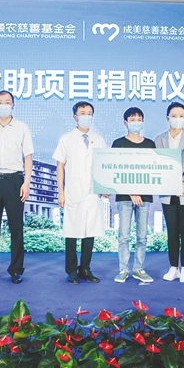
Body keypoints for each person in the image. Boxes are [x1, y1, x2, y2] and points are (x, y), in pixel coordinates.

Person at [0, 90, 34, 284]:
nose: (3, 105)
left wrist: (26, 183)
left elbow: (28, 157)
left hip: (14, 180)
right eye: (0, 102)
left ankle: (16, 270)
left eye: (7, 102)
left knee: (16, 228)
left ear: (13, 106)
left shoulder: (22, 128)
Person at [53, 101, 106, 284]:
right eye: (82, 113)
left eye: (89, 113)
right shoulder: (66, 139)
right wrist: (61, 192)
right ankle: (71, 271)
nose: (86, 116)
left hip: (92, 192)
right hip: (73, 191)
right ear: (75, 116)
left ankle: (85, 269)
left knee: (90, 231)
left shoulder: (98, 139)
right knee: (72, 231)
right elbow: (60, 166)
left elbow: (103, 165)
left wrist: (105, 187)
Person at [154, 102, 184, 283]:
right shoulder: (159, 139)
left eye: (181, 116)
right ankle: (173, 267)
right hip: (167, 192)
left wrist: (182, 181)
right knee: (172, 232)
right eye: (174, 116)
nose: (178, 119)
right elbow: (158, 164)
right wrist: (170, 182)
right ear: (168, 117)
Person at [112, 106, 155, 284]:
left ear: (143, 122)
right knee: (124, 235)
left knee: (142, 236)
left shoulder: (150, 144)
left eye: (139, 119)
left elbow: (152, 170)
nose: (136, 122)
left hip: (145, 196)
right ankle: (123, 270)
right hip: (124, 196)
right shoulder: (118, 144)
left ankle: (139, 269)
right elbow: (115, 170)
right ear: (125, 122)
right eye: (132, 119)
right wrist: (132, 192)